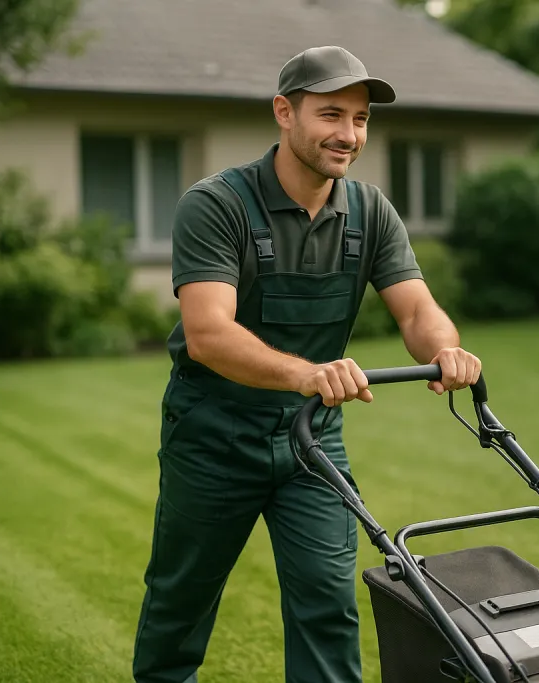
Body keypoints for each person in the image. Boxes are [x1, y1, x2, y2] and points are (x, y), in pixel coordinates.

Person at [131, 45, 482, 683]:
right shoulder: (217, 205)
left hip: (311, 442)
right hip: (212, 438)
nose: (349, 134)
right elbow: (208, 334)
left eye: (360, 118)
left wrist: (444, 350)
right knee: (181, 602)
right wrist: (306, 374)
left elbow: (416, 311)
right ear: (284, 112)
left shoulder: (370, 211)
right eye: (331, 115)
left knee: (328, 604)